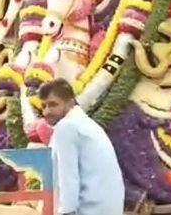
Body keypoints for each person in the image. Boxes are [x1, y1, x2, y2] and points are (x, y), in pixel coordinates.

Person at [40, 78, 124, 215]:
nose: (47, 112)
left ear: (70, 103)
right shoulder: (84, 124)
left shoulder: (67, 126)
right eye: (44, 106)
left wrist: (66, 212)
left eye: (53, 105)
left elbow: (67, 177)